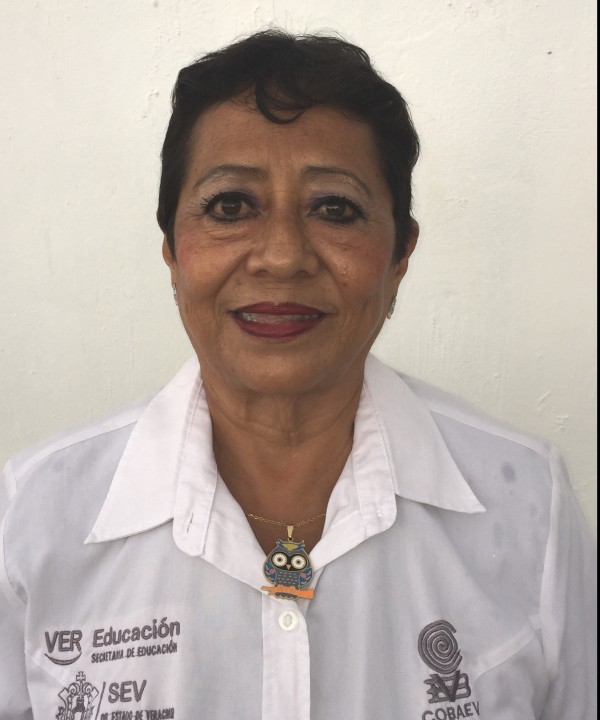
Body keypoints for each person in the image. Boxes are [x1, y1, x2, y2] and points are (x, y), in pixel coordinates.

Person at [0, 29, 595, 720]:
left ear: (400, 256)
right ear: (172, 251)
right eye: (230, 206)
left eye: (334, 208)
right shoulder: (34, 517)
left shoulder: (528, 510)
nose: (282, 257)